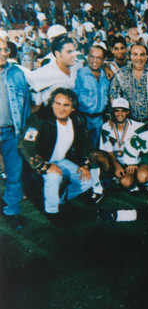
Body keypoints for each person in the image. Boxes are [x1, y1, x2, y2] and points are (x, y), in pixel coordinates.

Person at [19, 88, 94, 221]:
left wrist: (84, 164)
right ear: (51, 104)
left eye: (66, 105)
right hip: (43, 160)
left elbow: (85, 143)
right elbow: (26, 145)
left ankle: (61, 197)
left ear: (73, 108)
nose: (61, 108)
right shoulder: (39, 118)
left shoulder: (78, 120)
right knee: (54, 176)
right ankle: (52, 212)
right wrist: (43, 165)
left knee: (87, 180)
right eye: (57, 103)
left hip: (62, 160)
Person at [0, 38, 31, 229]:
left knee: (14, 173)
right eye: (1, 50)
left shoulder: (17, 74)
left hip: (12, 132)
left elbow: (26, 105)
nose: (6, 53)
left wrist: (23, 132)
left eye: (6, 50)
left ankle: (11, 211)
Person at [109, 42, 148, 124]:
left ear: (146, 57)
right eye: (135, 54)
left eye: (142, 55)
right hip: (130, 123)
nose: (139, 58)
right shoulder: (120, 74)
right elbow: (114, 97)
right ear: (130, 56)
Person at [96, 98, 145, 191]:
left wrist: (134, 162)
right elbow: (108, 150)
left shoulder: (138, 126)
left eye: (123, 111)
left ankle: (133, 179)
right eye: (116, 111)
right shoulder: (106, 127)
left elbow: (145, 148)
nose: (120, 114)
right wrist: (117, 166)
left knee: (126, 182)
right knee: (98, 156)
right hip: (116, 161)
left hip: (130, 163)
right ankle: (106, 182)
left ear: (128, 112)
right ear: (113, 112)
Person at [74, 45, 110, 149]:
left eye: (98, 58)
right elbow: (74, 99)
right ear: (88, 57)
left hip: (99, 120)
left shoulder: (106, 76)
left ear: (103, 60)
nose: (94, 60)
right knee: (82, 151)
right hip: (83, 120)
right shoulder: (79, 75)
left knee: (97, 150)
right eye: (92, 56)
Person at [28, 35, 78, 106]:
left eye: (74, 51)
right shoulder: (46, 71)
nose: (74, 55)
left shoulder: (76, 66)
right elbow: (26, 83)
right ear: (57, 54)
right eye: (69, 52)